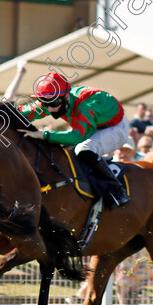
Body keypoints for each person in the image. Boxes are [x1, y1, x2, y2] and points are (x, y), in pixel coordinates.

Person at [16, 71, 131, 208]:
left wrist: (43, 134)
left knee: (83, 149)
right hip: (93, 126)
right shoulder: (55, 100)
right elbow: (21, 112)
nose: (50, 109)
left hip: (115, 127)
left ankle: (117, 189)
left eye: (53, 103)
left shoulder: (85, 105)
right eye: (45, 103)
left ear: (65, 96)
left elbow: (77, 137)